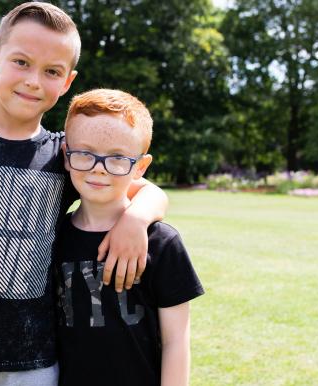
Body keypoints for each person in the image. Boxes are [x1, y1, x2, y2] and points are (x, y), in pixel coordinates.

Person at [0, 3, 168, 385]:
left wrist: (137, 220)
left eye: (52, 71)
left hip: (35, 363)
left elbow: (148, 190)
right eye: (21, 62)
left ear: (67, 82)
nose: (33, 81)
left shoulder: (65, 155)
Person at [55, 89, 204, 386]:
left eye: (118, 158)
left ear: (141, 167)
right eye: (85, 153)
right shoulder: (52, 237)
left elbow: (176, 340)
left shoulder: (162, 243)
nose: (99, 168)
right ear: (66, 156)